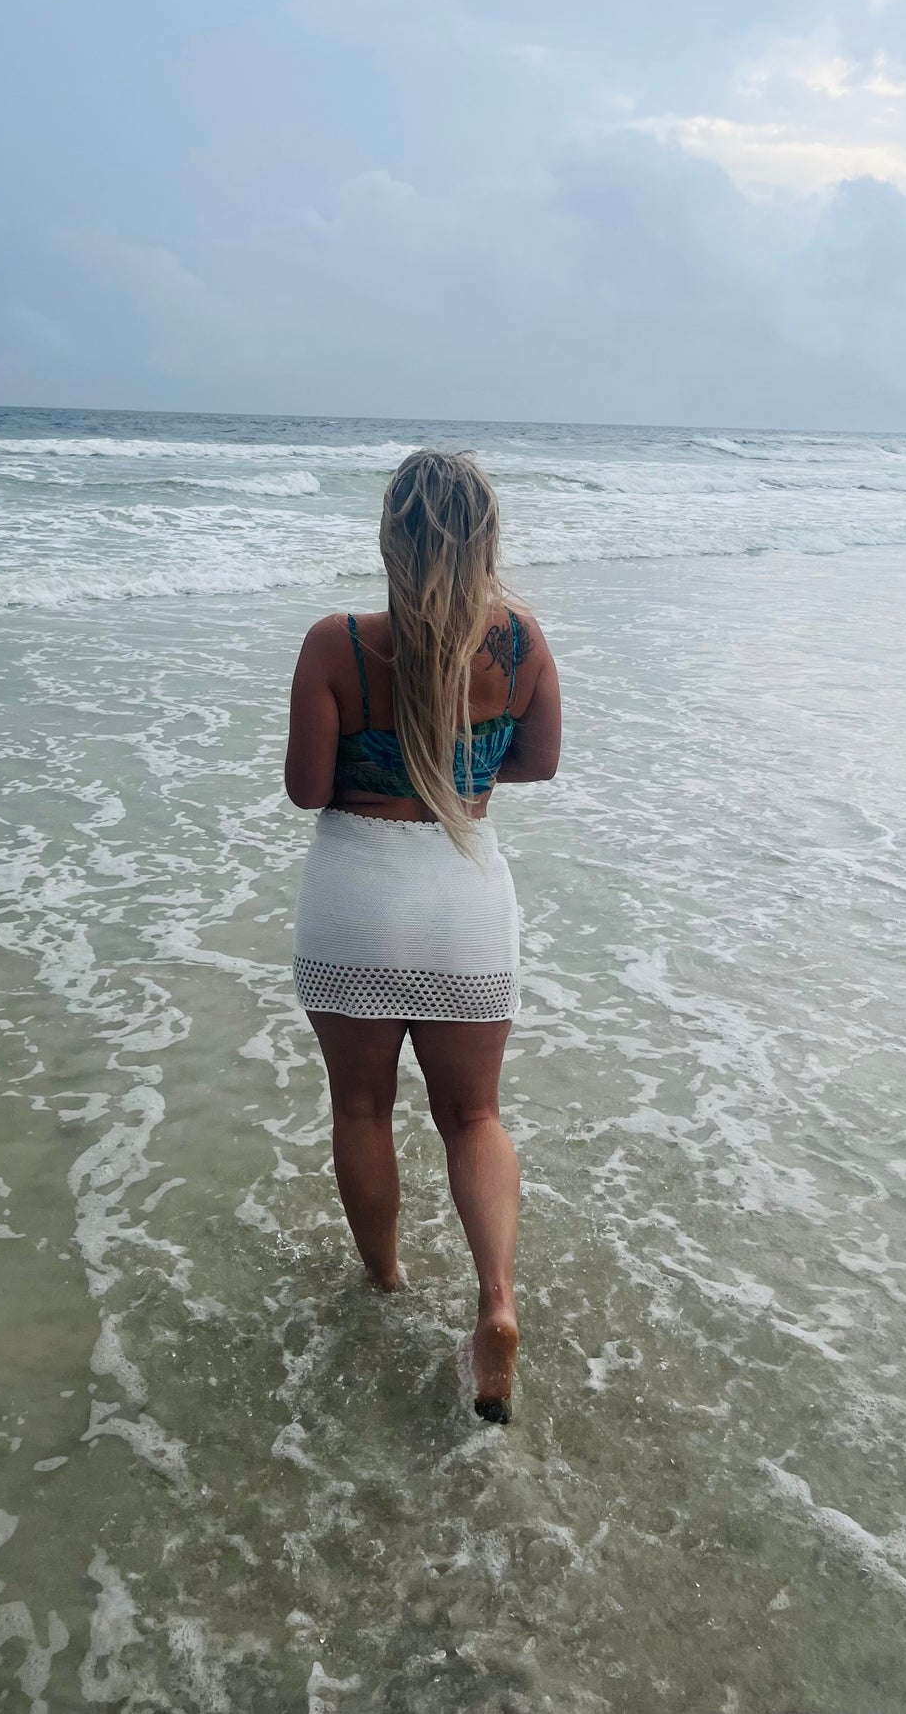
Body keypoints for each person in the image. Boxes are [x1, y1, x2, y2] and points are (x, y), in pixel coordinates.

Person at [285, 449, 562, 1423]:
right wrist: (463, 760)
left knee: (360, 1108)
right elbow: (539, 762)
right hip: (463, 895)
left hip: (354, 896)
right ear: (484, 536)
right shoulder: (518, 643)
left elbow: (308, 789)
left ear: (388, 536)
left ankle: (387, 1280)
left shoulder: (337, 643)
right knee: (473, 1117)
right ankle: (493, 1300)